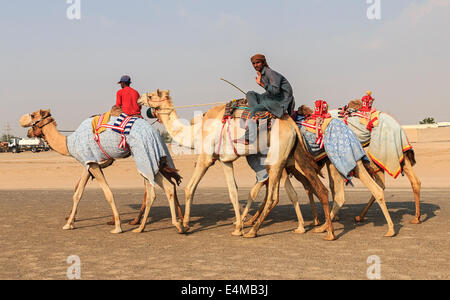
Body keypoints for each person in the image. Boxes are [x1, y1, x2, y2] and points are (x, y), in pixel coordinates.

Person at [234, 54, 295, 145]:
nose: (255, 65)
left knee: (254, 109)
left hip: (279, 101)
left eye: (258, 63)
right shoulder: (262, 74)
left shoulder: (270, 73)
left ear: (263, 62)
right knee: (250, 94)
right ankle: (256, 115)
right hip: (271, 97)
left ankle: (248, 138)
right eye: (253, 63)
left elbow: (276, 91)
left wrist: (262, 84)